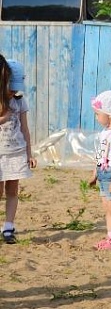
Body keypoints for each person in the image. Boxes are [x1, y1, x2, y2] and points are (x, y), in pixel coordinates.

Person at [0, 56, 36, 245]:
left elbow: (25, 129)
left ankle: (8, 226)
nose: (13, 90)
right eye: (9, 86)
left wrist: (29, 153)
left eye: (16, 86)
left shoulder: (20, 102)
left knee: (12, 189)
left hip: (16, 152)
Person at [87, 90, 111, 251]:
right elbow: (101, 155)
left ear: (110, 114)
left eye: (98, 114)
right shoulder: (105, 132)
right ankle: (110, 236)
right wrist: (95, 174)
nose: (96, 117)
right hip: (103, 172)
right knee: (107, 207)